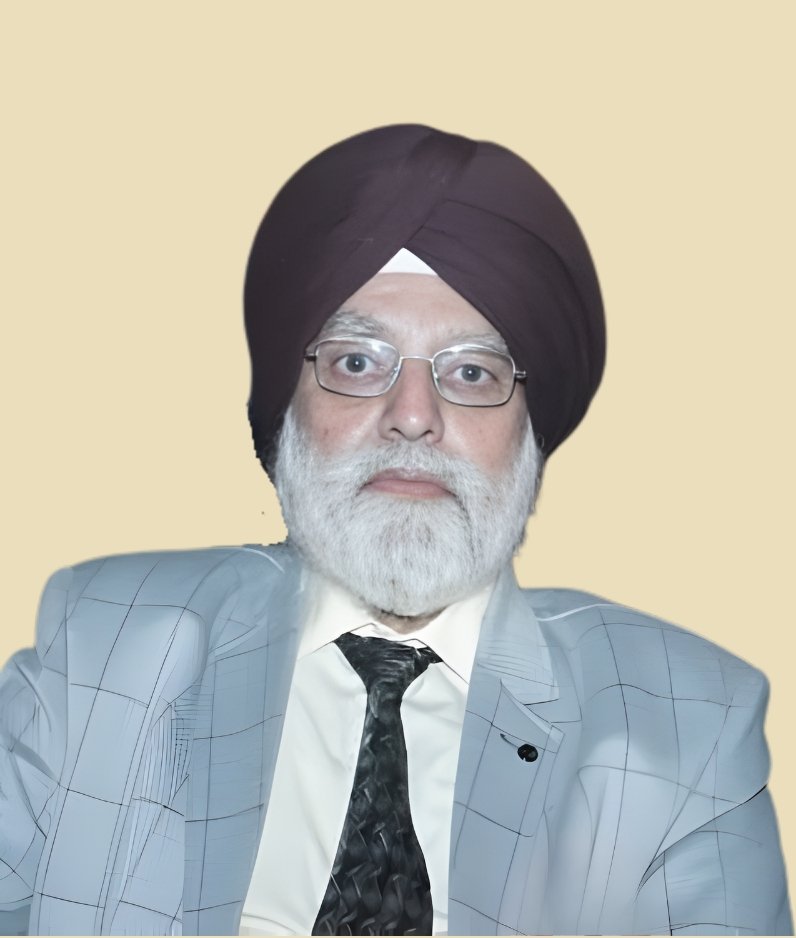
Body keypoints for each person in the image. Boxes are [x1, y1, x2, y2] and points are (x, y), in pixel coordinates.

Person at [0, 125, 790, 937]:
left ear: (530, 431)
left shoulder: (687, 726)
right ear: (286, 411)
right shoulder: (98, 649)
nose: (413, 415)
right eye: (356, 362)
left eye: (472, 372)